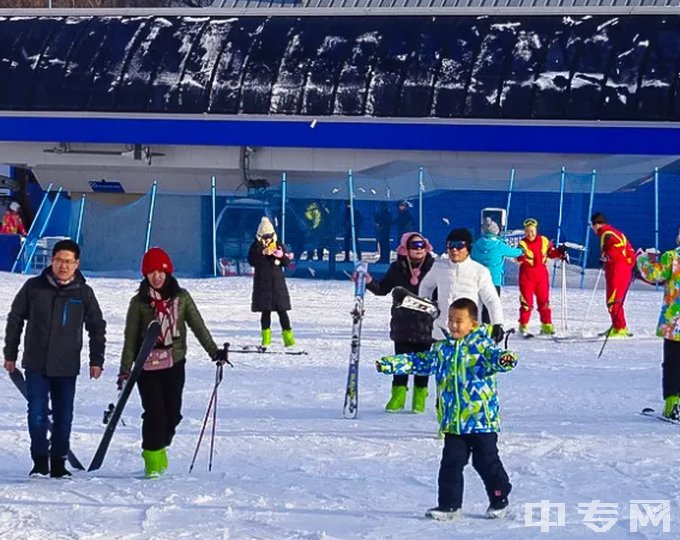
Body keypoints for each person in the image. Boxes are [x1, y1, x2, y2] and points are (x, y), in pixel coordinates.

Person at [376, 297, 518, 520]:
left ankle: (500, 496)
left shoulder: (483, 347)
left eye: (459, 321)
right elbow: (419, 362)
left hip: (481, 420)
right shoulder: (443, 351)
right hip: (453, 422)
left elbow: (496, 358)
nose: (453, 325)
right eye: (451, 319)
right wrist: (391, 364)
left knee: (485, 462)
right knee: (451, 463)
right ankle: (449, 505)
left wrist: (506, 359)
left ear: (473, 324)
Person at [118, 247, 227, 478]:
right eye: (151, 272)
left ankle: (160, 444)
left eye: (161, 271)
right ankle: (152, 461)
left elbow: (198, 326)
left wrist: (214, 352)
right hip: (146, 366)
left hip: (174, 362)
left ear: (168, 272)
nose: (156, 276)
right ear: (145, 275)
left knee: (173, 413)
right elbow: (130, 338)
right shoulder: (138, 302)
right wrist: (125, 370)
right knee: (154, 412)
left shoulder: (182, 297)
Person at [3, 239, 106, 478]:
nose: (63, 266)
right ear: (52, 260)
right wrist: (10, 353)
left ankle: (59, 462)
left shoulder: (84, 293)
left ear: (77, 264)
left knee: (63, 416)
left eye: (68, 262)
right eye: (59, 260)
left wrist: (96, 360)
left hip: (66, 365)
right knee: (37, 413)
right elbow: (15, 318)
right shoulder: (34, 287)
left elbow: (96, 326)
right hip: (36, 363)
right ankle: (40, 462)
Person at [365, 232, 436, 412]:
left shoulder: (434, 267)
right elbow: (382, 289)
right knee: (401, 361)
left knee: (422, 363)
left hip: (426, 325)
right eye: (414, 246)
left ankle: (419, 398)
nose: (418, 250)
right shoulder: (397, 268)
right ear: (406, 248)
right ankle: (398, 395)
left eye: (422, 245)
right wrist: (368, 281)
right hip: (403, 324)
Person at [419, 228, 505, 343]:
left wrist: (497, 324)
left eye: (459, 245)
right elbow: (426, 286)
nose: (454, 249)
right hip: (441, 335)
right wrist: (427, 307)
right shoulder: (439, 267)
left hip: (469, 336)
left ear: (468, 248)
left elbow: (492, 300)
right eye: (450, 245)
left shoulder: (479, 271)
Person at [637, 230, 680, 420]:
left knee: (672, 364)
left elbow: (653, 274)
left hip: (674, 323)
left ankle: (672, 405)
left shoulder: (672, 257)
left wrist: (642, 259)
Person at [248, 217, 295, 347]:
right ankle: (266, 338)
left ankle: (288, 338)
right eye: (265, 237)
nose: (267, 239)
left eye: (269, 236)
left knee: (282, 311)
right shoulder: (255, 247)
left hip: (277, 284)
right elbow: (252, 261)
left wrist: (282, 256)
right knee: (265, 312)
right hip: (262, 285)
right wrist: (263, 253)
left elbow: (286, 262)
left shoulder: (278, 245)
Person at [516, 218, 567, 335]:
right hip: (527, 276)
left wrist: (560, 252)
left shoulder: (544, 241)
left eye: (532, 231)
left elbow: (551, 253)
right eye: (527, 231)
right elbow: (518, 257)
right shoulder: (522, 244)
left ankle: (547, 325)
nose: (530, 234)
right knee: (526, 303)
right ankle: (523, 326)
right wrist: (520, 256)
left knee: (544, 302)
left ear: (536, 230)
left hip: (541, 276)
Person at [590, 212, 636, 337]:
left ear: (596, 224)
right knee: (616, 301)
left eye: (592, 226)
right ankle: (619, 326)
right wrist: (631, 266)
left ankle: (619, 328)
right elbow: (630, 250)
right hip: (622, 270)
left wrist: (607, 257)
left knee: (613, 301)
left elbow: (615, 248)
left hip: (617, 271)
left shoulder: (607, 234)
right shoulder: (616, 232)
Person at [471, 217, 523, 323]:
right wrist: (522, 250)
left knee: (479, 304)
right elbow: (514, 252)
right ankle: (490, 327)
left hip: (478, 279)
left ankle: (478, 325)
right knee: (492, 305)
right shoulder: (499, 244)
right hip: (494, 279)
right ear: (496, 231)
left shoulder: (477, 244)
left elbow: (472, 258)